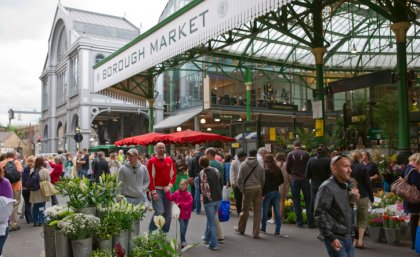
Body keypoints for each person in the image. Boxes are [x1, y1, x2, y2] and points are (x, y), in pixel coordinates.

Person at [314, 155, 359, 257]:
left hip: (348, 236)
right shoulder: (327, 187)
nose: (350, 170)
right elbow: (319, 214)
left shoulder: (347, 185)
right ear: (334, 168)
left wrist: (353, 198)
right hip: (337, 237)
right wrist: (331, 237)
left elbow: (345, 211)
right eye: (346, 166)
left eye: (350, 166)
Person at [234, 149, 265, 239]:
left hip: (247, 189)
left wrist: (242, 189)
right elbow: (263, 179)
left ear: (248, 154)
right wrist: (260, 186)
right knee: (257, 211)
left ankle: (241, 229)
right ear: (256, 155)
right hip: (258, 188)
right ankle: (256, 232)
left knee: (245, 211)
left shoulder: (243, 165)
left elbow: (239, 179)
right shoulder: (260, 165)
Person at [147, 142, 176, 233]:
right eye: (160, 148)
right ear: (156, 149)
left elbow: (173, 174)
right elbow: (150, 177)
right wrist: (153, 191)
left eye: (163, 147)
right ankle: (151, 230)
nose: (162, 149)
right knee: (160, 211)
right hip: (157, 190)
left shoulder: (169, 160)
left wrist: (170, 185)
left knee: (168, 214)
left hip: (167, 190)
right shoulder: (151, 161)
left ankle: (163, 234)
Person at [286, 140, 315, 228]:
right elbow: (309, 166)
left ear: (294, 146)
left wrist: (293, 173)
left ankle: (299, 221)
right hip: (305, 179)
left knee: (296, 200)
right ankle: (311, 222)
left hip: (295, 179)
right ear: (301, 145)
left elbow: (288, 168)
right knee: (308, 200)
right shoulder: (306, 154)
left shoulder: (290, 154)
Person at [349, 150, 373, 249]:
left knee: (352, 218)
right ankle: (360, 241)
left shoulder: (348, 167)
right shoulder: (363, 168)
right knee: (362, 218)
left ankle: (354, 240)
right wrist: (371, 197)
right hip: (362, 195)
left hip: (350, 195)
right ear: (360, 157)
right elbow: (368, 184)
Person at [198, 156, 223, 250]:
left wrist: (203, 198)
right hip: (218, 198)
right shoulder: (216, 170)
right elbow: (220, 183)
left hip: (209, 200)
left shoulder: (202, 173)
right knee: (210, 219)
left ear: (200, 164)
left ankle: (213, 244)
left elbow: (203, 189)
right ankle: (207, 237)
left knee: (211, 222)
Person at [165, 179, 193, 248]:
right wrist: (167, 191)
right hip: (180, 214)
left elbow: (189, 204)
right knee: (182, 227)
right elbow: (170, 198)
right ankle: (183, 241)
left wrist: (180, 204)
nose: (182, 186)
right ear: (179, 185)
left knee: (185, 228)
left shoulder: (188, 194)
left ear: (186, 186)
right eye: (180, 184)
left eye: (183, 185)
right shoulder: (176, 193)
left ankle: (183, 240)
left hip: (187, 214)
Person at [261, 154, 284, 237]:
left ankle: (263, 228)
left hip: (267, 193)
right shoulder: (277, 169)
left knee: (264, 211)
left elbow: (263, 184)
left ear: (266, 161)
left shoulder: (265, 171)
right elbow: (282, 180)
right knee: (277, 212)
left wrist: (262, 194)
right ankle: (277, 231)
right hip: (276, 192)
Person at [0, 150, 23, 231]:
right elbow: (20, 171)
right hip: (16, 186)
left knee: (4, 204)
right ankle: (13, 223)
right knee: (15, 204)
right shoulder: (16, 162)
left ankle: (6, 221)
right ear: (14, 156)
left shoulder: (2, 162)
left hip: (4, 186)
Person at [305, 145, 331, 218]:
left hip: (314, 185)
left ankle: (314, 219)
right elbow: (330, 175)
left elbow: (307, 175)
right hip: (325, 185)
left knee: (314, 202)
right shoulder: (328, 160)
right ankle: (324, 219)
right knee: (325, 203)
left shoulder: (311, 160)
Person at [206, 148, 225, 242]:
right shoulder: (220, 164)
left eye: (206, 154)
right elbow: (222, 178)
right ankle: (208, 235)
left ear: (209, 154)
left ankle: (219, 234)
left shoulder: (209, 165)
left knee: (213, 214)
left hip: (211, 192)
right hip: (219, 190)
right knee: (212, 213)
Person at [403, 153, 420, 251]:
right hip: (415, 200)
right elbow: (417, 184)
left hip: (409, 199)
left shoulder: (408, 168)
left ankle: (414, 243)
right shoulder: (414, 171)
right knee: (414, 222)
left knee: (413, 222)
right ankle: (415, 243)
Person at [29, 157, 51, 226]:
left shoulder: (32, 170)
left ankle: (34, 221)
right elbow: (48, 181)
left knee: (35, 206)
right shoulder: (45, 171)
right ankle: (41, 221)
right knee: (41, 206)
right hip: (42, 190)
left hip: (34, 190)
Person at [188, 146, 205, 214]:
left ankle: (195, 208)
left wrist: (191, 176)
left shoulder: (193, 159)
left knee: (195, 192)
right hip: (204, 176)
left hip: (196, 177)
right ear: (203, 150)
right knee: (204, 192)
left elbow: (190, 169)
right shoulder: (204, 158)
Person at [230, 151, 246, 216]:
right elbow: (232, 173)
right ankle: (239, 211)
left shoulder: (245, 163)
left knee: (244, 198)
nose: (245, 158)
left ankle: (244, 210)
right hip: (236, 184)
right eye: (244, 157)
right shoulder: (234, 163)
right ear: (240, 157)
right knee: (238, 198)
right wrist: (233, 183)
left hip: (244, 184)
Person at [21, 156, 35, 224]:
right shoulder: (32, 169)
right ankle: (30, 219)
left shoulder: (25, 168)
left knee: (27, 203)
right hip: (29, 189)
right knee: (29, 204)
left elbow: (23, 180)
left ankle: (28, 219)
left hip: (24, 189)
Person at [275, 152, 290, 217]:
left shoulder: (275, 165)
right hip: (284, 184)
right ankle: (280, 217)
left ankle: (273, 217)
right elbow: (289, 176)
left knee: (275, 201)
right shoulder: (286, 165)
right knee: (282, 201)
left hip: (275, 184)